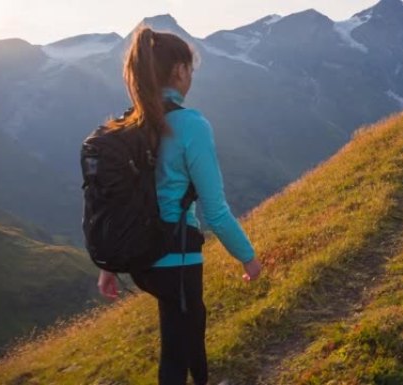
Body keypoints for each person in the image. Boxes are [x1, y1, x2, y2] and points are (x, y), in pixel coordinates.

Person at [95, 26, 262, 385]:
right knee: (176, 352)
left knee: (188, 329)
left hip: (141, 259)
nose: (191, 77)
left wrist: (108, 264)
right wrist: (248, 257)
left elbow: (115, 197)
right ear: (179, 71)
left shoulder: (129, 125)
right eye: (190, 68)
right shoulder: (190, 125)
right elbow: (215, 210)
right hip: (177, 256)